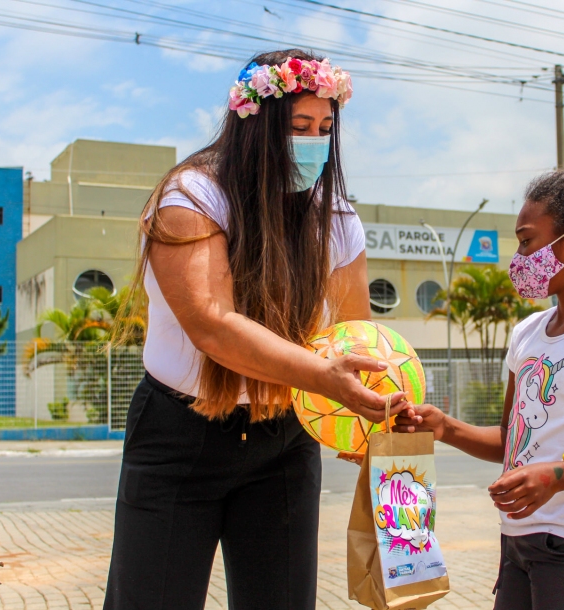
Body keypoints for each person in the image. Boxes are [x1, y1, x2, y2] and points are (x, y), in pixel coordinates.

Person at [103, 50, 406, 610]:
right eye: (299, 126)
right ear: (254, 125)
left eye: (325, 129)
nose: (313, 142)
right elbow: (213, 325)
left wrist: (367, 409)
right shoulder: (192, 198)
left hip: (285, 440)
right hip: (180, 434)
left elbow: (353, 334)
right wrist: (326, 377)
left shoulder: (336, 217)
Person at [394, 166, 564, 610]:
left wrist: (559, 475)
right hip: (517, 544)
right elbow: (513, 440)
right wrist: (445, 427)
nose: (519, 258)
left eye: (526, 241)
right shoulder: (527, 333)